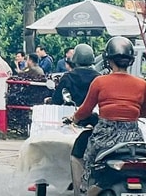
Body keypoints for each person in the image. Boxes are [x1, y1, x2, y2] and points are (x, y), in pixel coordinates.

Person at [69, 36, 146, 195]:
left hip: (104, 136)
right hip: (133, 138)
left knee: (83, 156)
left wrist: (74, 118)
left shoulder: (100, 82)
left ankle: (83, 189)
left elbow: (85, 110)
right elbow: (145, 113)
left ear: (108, 59)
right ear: (130, 60)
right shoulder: (142, 85)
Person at [50, 44, 100, 196]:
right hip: (95, 121)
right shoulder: (99, 78)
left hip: (74, 121)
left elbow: (57, 101)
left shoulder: (68, 77)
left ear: (75, 59)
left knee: (77, 154)